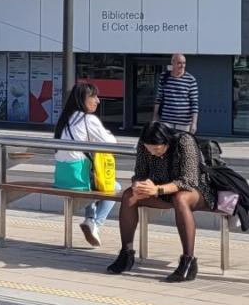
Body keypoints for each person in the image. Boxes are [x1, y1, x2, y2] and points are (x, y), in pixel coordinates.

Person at [104, 122, 206, 282]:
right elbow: (140, 172)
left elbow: (189, 180)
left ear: (167, 142)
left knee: (180, 198)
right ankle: (126, 253)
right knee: (129, 195)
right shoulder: (144, 143)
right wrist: (138, 184)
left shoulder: (184, 141)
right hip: (159, 188)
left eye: (157, 149)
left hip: (195, 191)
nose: (152, 152)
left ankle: (188, 260)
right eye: (149, 149)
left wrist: (157, 190)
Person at [53, 82, 117, 247]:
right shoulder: (88, 119)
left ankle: (90, 219)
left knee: (94, 182)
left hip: (61, 178)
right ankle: (95, 223)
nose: (98, 101)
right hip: (78, 179)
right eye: (93, 97)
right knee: (113, 187)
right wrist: (107, 133)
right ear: (82, 99)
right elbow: (112, 142)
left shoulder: (65, 119)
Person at [153, 53, 198, 133]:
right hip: (166, 122)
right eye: (179, 63)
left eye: (184, 63)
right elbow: (158, 98)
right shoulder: (164, 77)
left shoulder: (191, 80)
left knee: (182, 145)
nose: (182, 65)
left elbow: (194, 104)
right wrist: (155, 117)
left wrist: (194, 123)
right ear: (172, 63)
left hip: (184, 123)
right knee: (166, 145)